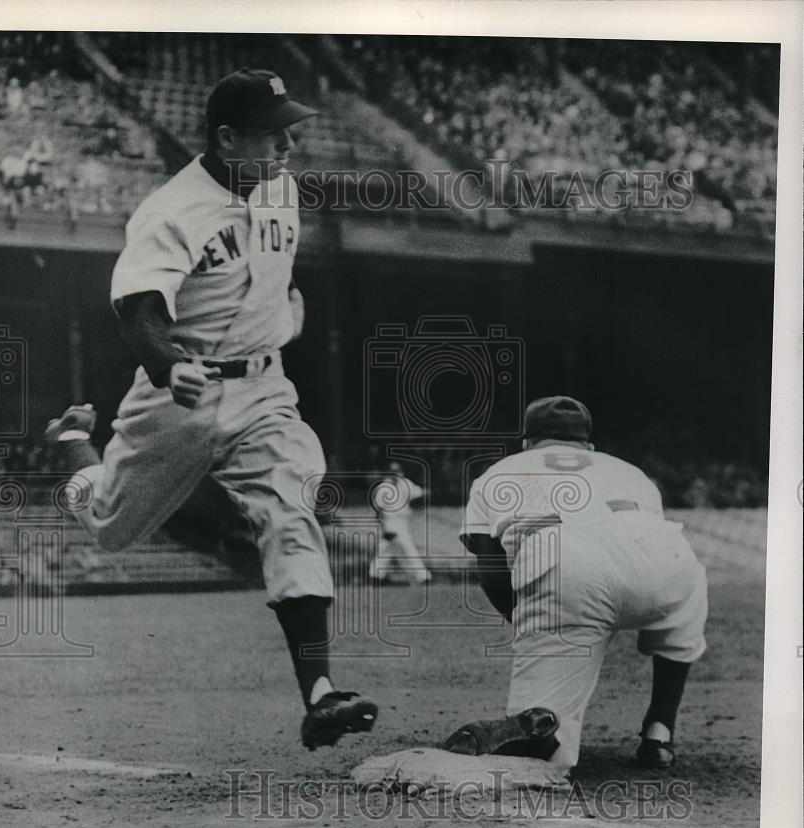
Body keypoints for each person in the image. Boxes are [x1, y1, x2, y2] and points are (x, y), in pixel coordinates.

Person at [45, 69, 377, 750]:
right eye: (271, 132)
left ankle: (319, 695)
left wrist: (276, 320)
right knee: (110, 528)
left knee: (292, 509)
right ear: (227, 138)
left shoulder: (280, 186)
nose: (287, 144)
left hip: (263, 390)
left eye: (291, 129)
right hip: (178, 396)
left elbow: (268, 274)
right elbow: (138, 316)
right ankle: (76, 446)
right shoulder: (171, 211)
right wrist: (172, 365)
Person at [458, 395, 707, 769]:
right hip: (669, 564)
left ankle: (547, 749)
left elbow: (491, 571)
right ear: (589, 445)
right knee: (685, 604)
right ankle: (660, 731)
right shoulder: (630, 472)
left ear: (527, 442)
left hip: (565, 563)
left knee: (538, 746)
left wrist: (533, 625)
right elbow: (632, 546)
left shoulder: (498, 472)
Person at [368, 462, 431, 584]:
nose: (396, 475)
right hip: (390, 521)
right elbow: (379, 509)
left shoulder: (404, 483)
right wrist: (384, 528)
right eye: (393, 472)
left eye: (398, 472)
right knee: (408, 547)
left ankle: (375, 576)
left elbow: (418, 492)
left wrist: (428, 492)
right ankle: (423, 576)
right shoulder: (384, 487)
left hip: (403, 521)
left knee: (386, 549)